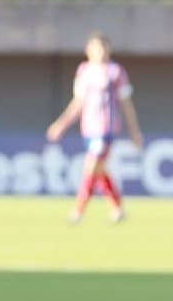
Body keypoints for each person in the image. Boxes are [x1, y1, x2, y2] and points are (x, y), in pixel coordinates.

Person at [47, 32, 144, 223]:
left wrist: (134, 132)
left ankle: (78, 210)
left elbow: (126, 104)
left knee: (91, 167)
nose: (100, 51)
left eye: (103, 47)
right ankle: (117, 207)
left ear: (108, 50)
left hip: (107, 128)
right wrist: (61, 124)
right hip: (88, 129)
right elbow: (78, 102)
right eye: (95, 47)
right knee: (99, 170)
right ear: (88, 50)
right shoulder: (84, 71)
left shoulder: (115, 72)